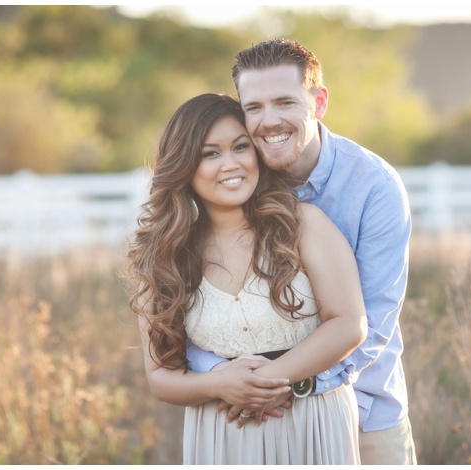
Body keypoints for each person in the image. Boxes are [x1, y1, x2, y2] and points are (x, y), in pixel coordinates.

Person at [186, 38, 417, 465]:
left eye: (284, 102)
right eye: (254, 107)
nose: (269, 121)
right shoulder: (239, 178)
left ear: (319, 102)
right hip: (247, 422)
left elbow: (373, 325)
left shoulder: (373, 188)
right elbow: (209, 311)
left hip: (364, 410)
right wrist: (220, 377)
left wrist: (280, 385)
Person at [127, 93, 368, 464]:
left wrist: (268, 382)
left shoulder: (302, 224)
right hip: (224, 433)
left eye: (241, 147)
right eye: (211, 153)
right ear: (185, 166)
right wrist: (218, 384)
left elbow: (349, 324)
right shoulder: (165, 257)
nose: (231, 164)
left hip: (314, 422)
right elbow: (161, 377)